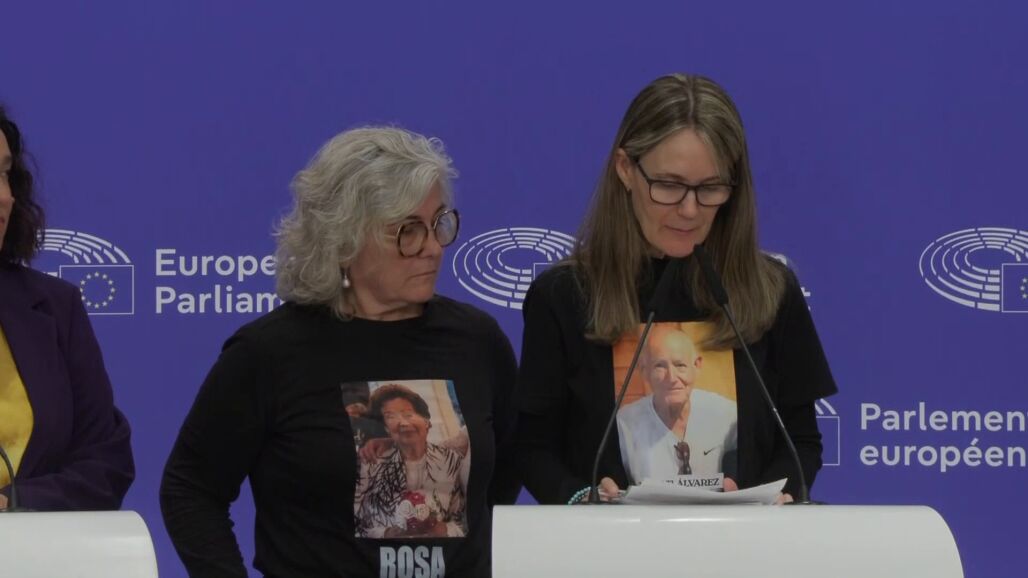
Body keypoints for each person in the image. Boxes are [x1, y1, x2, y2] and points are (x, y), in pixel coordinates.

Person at [161, 126, 519, 578]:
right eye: (408, 231)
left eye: (438, 224)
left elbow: (506, 467)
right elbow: (190, 488)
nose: (432, 248)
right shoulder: (269, 353)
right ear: (345, 239)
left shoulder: (477, 341)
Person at [515, 74, 837, 505]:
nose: (689, 209)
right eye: (668, 185)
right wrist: (580, 498)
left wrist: (778, 497)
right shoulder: (563, 296)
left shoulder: (771, 291)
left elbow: (801, 440)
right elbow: (534, 446)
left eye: (710, 188)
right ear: (625, 169)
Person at [0, 106, 134, 511]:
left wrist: (15, 503)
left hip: (33, 544)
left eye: (5, 174)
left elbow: (106, 464)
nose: (4, 196)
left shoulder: (56, 308)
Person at [616, 324, 736, 483]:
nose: (671, 378)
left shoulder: (727, 414)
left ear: (697, 365)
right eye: (660, 366)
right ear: (644, 370)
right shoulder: (624, 424)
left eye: (680, 365)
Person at [354, 383, 469, 539]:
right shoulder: (369, 463)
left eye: (408, 414)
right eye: (390, 417)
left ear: (427, 422)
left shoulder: (451, 461)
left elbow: (464, 523)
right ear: (386, 428)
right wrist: (387, 533)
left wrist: (443, 530)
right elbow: (354, 524)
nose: (403, 423)